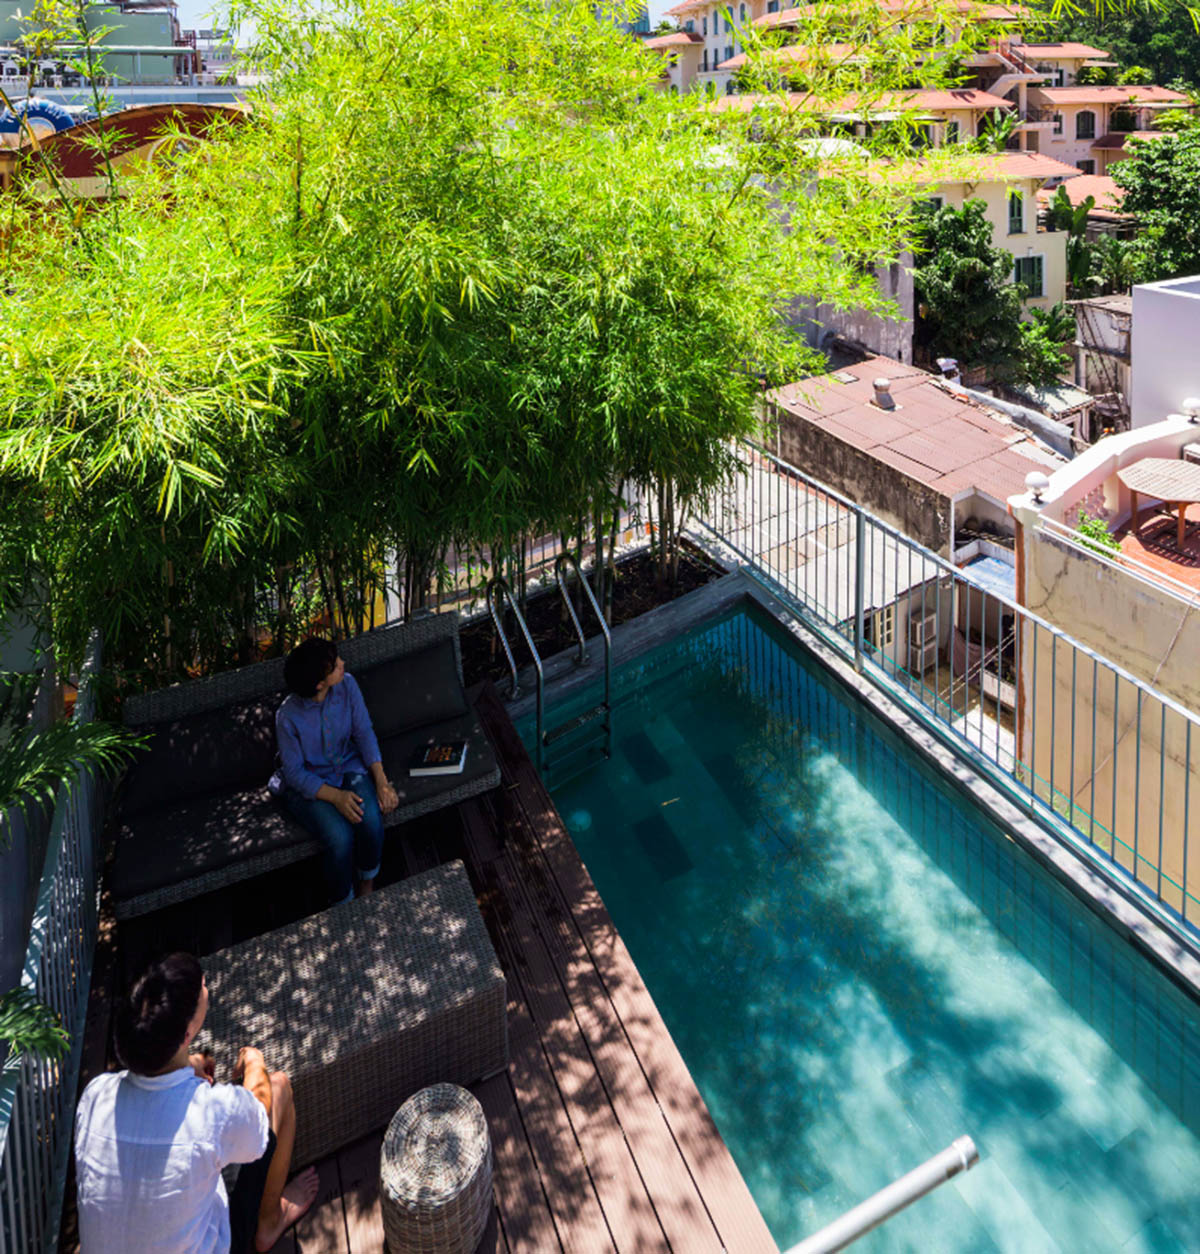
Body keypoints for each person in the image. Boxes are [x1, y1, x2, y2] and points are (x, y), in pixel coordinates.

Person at [74, 953, 318, 1253]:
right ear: (187, 1032)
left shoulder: (96, 1095)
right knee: (278, 1087)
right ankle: (268, 1222)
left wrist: (185, 1066)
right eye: (202, 985)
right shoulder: (211, 1112)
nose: (204, 986)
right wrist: (254, 1060)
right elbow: (259, 1113)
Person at [274, 636, 399, 903]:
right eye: (335, 665)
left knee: (371, 819)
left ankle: (367, 886)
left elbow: (363, 733)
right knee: (339, 837)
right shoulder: (287, 717)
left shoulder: (348, 685)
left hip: (347, 766)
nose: (342, 664)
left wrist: (381, 781)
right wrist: (337, 797)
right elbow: (294, 773)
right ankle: (343, 904)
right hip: (308, 785)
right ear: (319, 684)